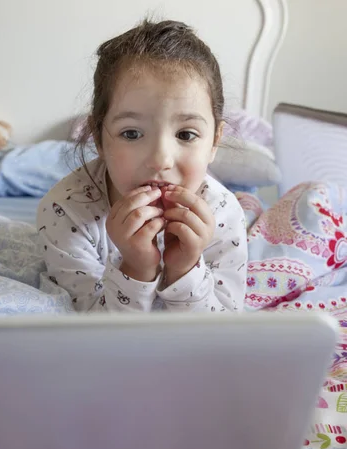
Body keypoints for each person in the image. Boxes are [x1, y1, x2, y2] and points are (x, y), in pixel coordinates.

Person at [37, 19, 247, 312]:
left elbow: (222, 337)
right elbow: (89, 338)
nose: (160, 160)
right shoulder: (67, 211)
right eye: (132, 134)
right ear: (99, 137)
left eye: (186, 134)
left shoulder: (223, 213)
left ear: (214, 142)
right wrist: (136, 268)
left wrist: (184, 269)